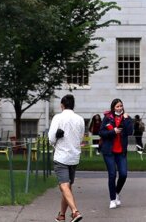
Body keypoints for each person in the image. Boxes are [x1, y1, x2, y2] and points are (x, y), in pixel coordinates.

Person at [48, 94, 86, 222]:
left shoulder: (58, 118)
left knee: (64, 186)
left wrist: (57, 137)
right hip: (74, 156)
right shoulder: (80, 119)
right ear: (73, 105)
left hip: (61, 156)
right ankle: (62, 215)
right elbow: (80, 138)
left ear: (62, 105)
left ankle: (75, 212)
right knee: (67, 187)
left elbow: (51, 139)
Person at [98, 98, 134, 209]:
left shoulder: (127, 118)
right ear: (113, 107)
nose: (119, 108)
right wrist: (112, 131)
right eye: (117, 106)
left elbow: (130, 132)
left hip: (121, 151)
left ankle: (116, 192)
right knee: (112, 174)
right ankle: (112, 199)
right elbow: (101, 132)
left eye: (121, 106)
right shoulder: (108, 118)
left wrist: (127, 120)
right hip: (109, 151)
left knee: (123, 174)